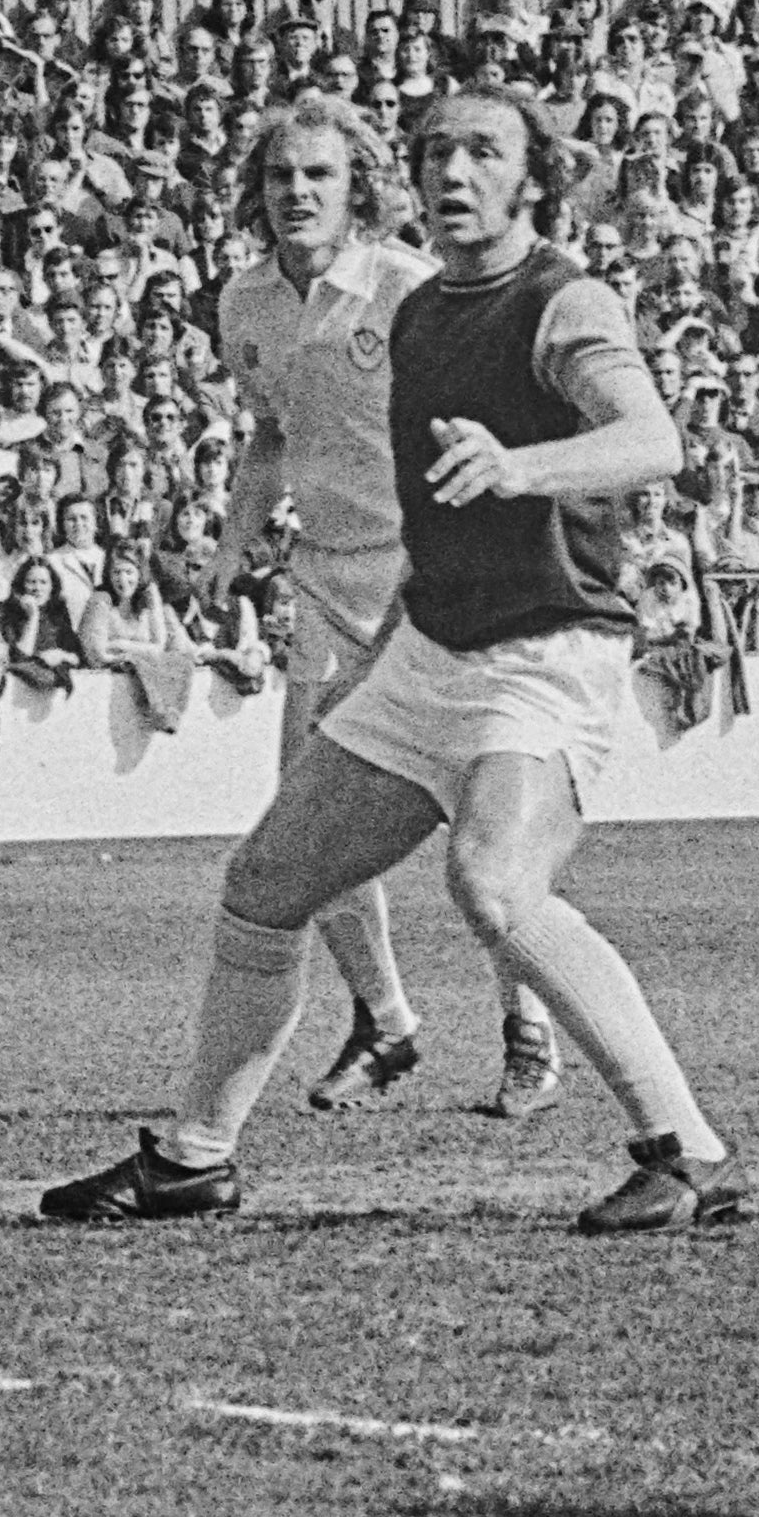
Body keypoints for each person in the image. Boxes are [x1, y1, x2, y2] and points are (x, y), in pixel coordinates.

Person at [42, 84, 737, 1235]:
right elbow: (373, 482)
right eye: (437, 152)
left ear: (533, 178)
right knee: (265, 888)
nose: (454, 172)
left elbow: (652, 438)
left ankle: (686, 1150)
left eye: (484, 152)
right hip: (426, 642)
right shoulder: (417, 317)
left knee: (493, 882)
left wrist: (522, 466)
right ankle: (192, 1158)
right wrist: (371, 638)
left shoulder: (560, 300)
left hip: (544, 649)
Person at [212, 94, 561, 1119]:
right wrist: (234, 542)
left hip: (430, 581)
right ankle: (386, 1020)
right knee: (309, 822)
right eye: (280, 175)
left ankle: (529, 1028)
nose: (298, 192)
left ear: (357, 185)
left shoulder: (409, 288)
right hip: (326, 583)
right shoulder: (245, 301)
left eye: (319, 174)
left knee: (479, 821)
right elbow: (270, 433)